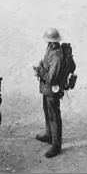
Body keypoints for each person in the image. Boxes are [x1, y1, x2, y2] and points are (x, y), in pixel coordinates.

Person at [36, 28, 66, 158]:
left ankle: (56, 145)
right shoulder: (51, 50)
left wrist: (39, 70)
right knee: (47, 112)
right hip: (46, 89)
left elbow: (50, 78)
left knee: (54, 116)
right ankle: (49, 135)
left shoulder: (57, 56)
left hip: (51, 89)